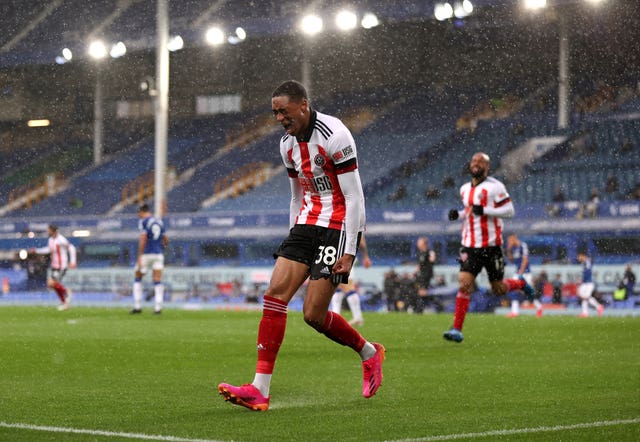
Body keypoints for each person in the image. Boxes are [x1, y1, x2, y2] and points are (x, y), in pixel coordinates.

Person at [217, 80, 385, 411]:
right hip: (306, 223)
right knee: (274, 296)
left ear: (303, 105)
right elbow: (297, 194)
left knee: (313, 315)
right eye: (275, 112)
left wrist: (350, 251)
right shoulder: (286, 145)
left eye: (284, 110)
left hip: (336, 226)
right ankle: (259, 389)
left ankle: (369, 352)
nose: (279, 117)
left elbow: (354, 197)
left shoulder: (335, 134)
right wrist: (293, 236)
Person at [443, 152, 534, 343]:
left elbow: (509, 211)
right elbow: (469, 213)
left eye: (480, 162)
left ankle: (521, 283)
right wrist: (458, 215)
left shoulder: (495, 187)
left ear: (487, 167)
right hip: (469, 246)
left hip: (492, 247)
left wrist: (486, 210)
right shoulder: (464, 189)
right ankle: (456, 329)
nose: (476, 164)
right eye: (474, 161)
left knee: (498, 289)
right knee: (464, 284)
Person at [130, 203, 168, 315]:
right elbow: (166, 238)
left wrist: (140, 256)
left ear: (141, 212)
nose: (138, 215)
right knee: (157, 279)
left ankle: (137, 306)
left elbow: (143, 238)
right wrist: (161, 247)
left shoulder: (143, 222)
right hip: (158, 254)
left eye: (138, 213)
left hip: (146, 254)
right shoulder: (159, 221)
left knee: (138, 276)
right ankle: (158, 308)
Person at [29, 224, 77, 311]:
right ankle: (65, 303)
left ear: (53, 230)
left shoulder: (61, 239)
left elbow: (72, 248)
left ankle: (66, 291)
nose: (48, 232)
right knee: (53, 286)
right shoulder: (51, 240)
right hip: (55, 266)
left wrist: (73, 262)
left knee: (51, 284)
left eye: (49, 230)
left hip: (61, 266)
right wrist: (37, 250)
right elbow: (49, 250)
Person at [329, 235, 372, 326]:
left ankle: (357, 317)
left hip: (343, 257)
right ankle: (336, 315)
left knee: (346, 285)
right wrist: (365, 256)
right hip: (343, 255)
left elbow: (361, 238)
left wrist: (365, 257)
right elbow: (361, 239)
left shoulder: (349, 221)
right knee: (338, 287)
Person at [505, 233, 543, 318]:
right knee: (514, 290)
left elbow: (525, 260)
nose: (509, 242)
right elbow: (512, 261)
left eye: (510, 240)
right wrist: (508, 251)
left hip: (525, 273)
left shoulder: (523, 245)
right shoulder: (514, 249)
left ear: (514, 238)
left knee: (526, 292)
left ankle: (539, 307)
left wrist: (521, 273)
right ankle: (514, 312)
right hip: (518, 272)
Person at [413, 236, 441, 313]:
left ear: (424, 243)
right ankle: (433, 305)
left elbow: (432, 260)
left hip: (426, 275)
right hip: (421, 275)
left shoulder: (429, 252)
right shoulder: (420, 253)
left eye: (419, 242)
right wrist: (415, 272)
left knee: (422, 291)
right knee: (420, 291)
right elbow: (420, 265)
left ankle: (421, 309)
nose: (417, 244)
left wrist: (432, 258)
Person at [576, 252, 604, 317]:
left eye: (579, 256)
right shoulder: (584, 262)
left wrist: (582, 279)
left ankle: (586, 313)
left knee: (585, 297)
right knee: (584, 297)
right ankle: (598, 307)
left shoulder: (587, 262)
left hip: (588, 283)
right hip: (585, 283)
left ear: (583, 256)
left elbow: (587, 272)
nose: (578, 258)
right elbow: (585, 272)